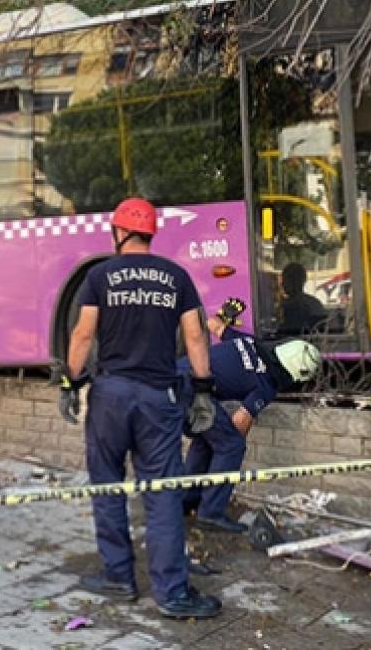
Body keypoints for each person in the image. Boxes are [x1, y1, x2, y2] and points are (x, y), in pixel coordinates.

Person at [59, 197, 222, 620]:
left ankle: (119, 577)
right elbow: (196, 337)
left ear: (119, 232)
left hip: (109, 396)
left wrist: (69, 382)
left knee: (107, 485)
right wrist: (203, 390)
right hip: (157, 399)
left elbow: (82, 335)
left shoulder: (99, 275)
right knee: (163, 493)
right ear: (149, 232)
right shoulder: (176, 276)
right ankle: (171, 593)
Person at [179, 297, 321, 532]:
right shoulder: (267, 383)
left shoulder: (249, 342)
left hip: (176, 378)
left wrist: (225, 314)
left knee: (208, 438)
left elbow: (213, 324)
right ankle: (211, 513)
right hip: (193, 392)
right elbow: (240, 420)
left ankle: (186, 500)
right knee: (231, 445)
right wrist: (232, 446)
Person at [279, 262, 327, 334]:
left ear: (295, 281)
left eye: (285, 279)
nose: (282, 284)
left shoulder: (309, 306)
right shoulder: (315, 304)